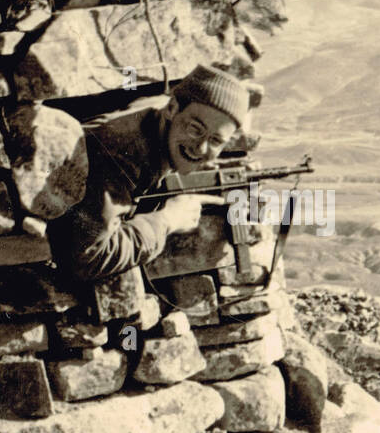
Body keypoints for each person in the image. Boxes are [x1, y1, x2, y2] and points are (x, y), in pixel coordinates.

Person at [50, 64, 251, 282]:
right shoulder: (123, 152)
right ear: (172, 108)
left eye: (215, 141)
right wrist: (167, 220)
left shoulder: (156, 121)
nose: (201, 148)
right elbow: (88, 257)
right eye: (195, 129)